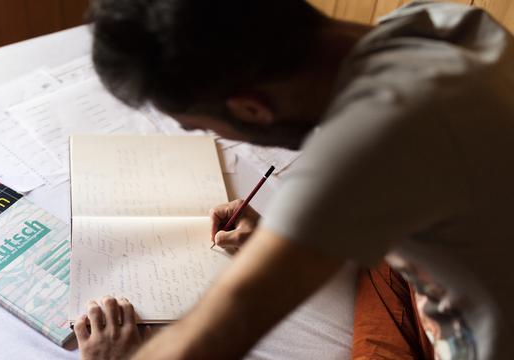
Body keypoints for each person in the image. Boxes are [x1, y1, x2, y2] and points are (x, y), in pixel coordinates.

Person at [73, 0, 514, 359]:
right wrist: (292, 238)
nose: (210, 135)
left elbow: (213, 336)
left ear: (250, 108)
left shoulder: (368, 143)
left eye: (200, 126)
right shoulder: (441, 23)